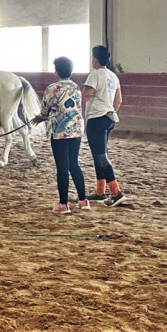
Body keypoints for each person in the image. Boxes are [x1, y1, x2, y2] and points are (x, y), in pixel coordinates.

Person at [32, 56, 89, 214]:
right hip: (76, 129)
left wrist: (39, 118)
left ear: (56, 71)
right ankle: (83, 200)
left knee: (62, 167)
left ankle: (63, 204)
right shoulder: (76, 87)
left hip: (60, 131)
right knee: (74, 164)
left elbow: (45, 110)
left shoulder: (53, 88)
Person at [82, 45, 126, 207]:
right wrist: (109, 109)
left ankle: (116, 192)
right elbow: (118, 101)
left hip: (96, 119)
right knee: (99, 154)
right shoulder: (113, 76)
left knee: (100, 155)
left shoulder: (94, 75)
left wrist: (84, 106)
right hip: (109, 118)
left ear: (95, 59)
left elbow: (87, 95)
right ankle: (100, 192)